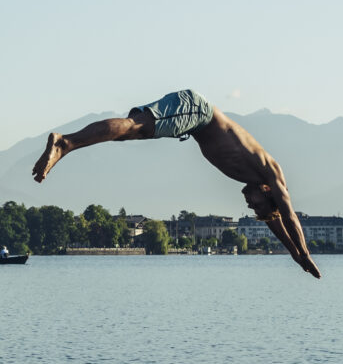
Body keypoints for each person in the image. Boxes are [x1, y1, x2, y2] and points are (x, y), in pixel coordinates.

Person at [32, 89, 324, 277]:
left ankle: (67, 143)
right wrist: (306, 253)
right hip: (198, 114)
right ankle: (65, 143)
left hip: (193, 120)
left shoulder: (261, 182)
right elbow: (288, 215)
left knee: (129, 132)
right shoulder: (271, 173)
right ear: (267, 192)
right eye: (256, 204)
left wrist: (295, 255)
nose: (248, 203)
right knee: (134, 127)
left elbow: (274, 221)